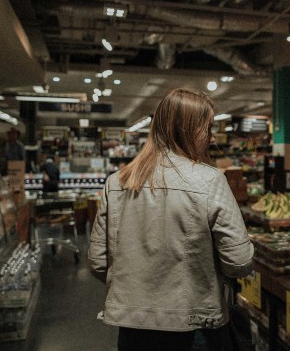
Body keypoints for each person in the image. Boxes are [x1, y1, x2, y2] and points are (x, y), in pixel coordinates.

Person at [88, 89, 254, 351]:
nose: (212, 138)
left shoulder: (117, 182)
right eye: (207, 129)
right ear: (185, 130)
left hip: (132, 328)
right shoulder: (210, 180)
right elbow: (240, 261)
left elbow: (98, 262)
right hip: (195, 327)